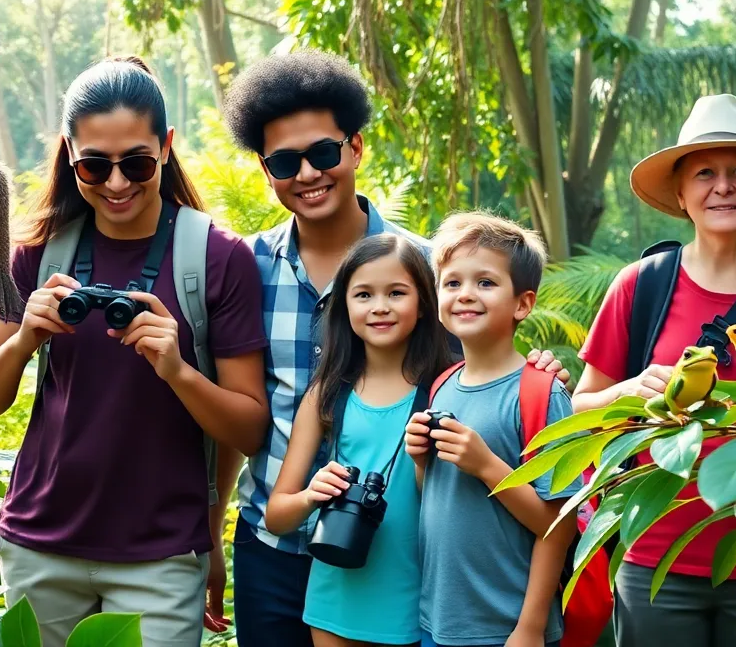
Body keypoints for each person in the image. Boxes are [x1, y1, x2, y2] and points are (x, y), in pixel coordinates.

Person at [219, 50, 568, 646]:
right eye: (285, 161)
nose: (307, 173)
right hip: (276, 549)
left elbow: (487, 371)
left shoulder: (432, 269)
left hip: (406, 559)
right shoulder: (241, 267)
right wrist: (210, 520)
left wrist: (539, 373)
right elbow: (237, 407)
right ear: (265, 168)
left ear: (355, 148)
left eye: (323, 153)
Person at [0, 56, 269, 647]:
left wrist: (177, 370)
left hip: (161, 553)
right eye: (95, 166)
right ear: (69, 154)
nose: (118, 183)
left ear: (167, 147)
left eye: (137, 162)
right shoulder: (36, 253)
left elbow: (250, 428)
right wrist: (25, 338)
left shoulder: (216, 258)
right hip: (39, 544)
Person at [571, 94, 736, 647]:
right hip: (655, 563)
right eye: (705, 173)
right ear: (681, 193)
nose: (723, 186)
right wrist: (627, 391)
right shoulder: (640, 285)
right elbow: (578, 408)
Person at [264, 233, 452, 647]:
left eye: (397, 293)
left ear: (424, 304)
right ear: (344, 306)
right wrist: (312, 495)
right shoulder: (327, 394)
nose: (380, 306)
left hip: (421, 600)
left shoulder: (447, 391)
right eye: (363, 294)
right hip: (335, 599)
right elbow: (276, 515)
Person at [404, 212, 581, 647]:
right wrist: (419, 462)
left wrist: (530, 628)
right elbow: (439, 499)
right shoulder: (443, 385)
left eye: (485, 282)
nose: (466, 294)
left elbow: (558, 524)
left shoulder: (540, 392)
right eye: (452, 283)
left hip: (507, 627)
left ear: (522, 303)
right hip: (440, 620)